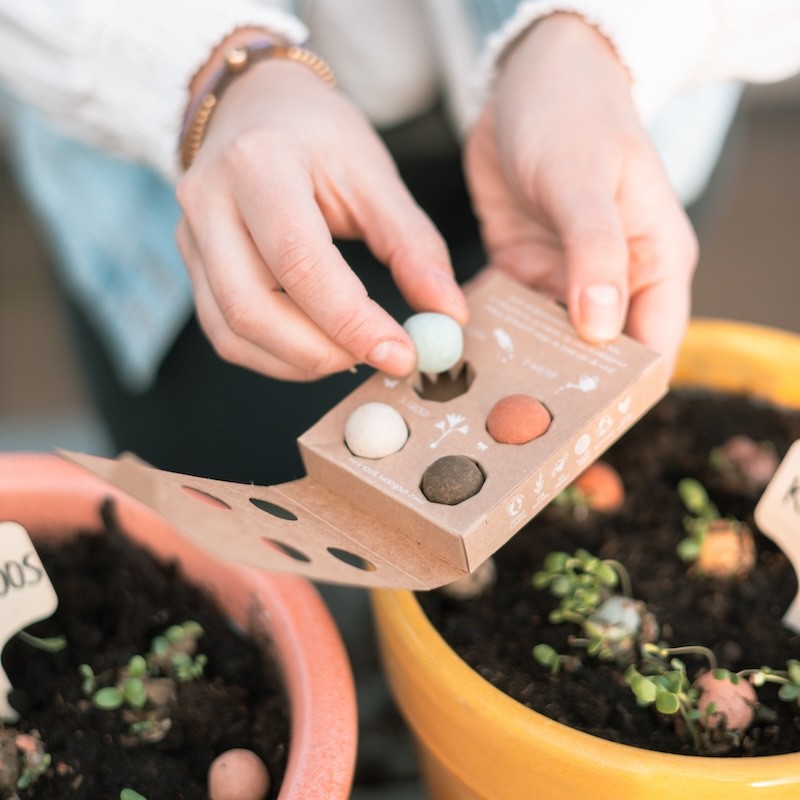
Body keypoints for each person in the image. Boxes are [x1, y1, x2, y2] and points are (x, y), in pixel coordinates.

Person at [2, 3, 800, 791]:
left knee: (586, 331)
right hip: (215, 164)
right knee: (263, 461)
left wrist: (596, 36)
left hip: (589, 128)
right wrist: (216, 69)